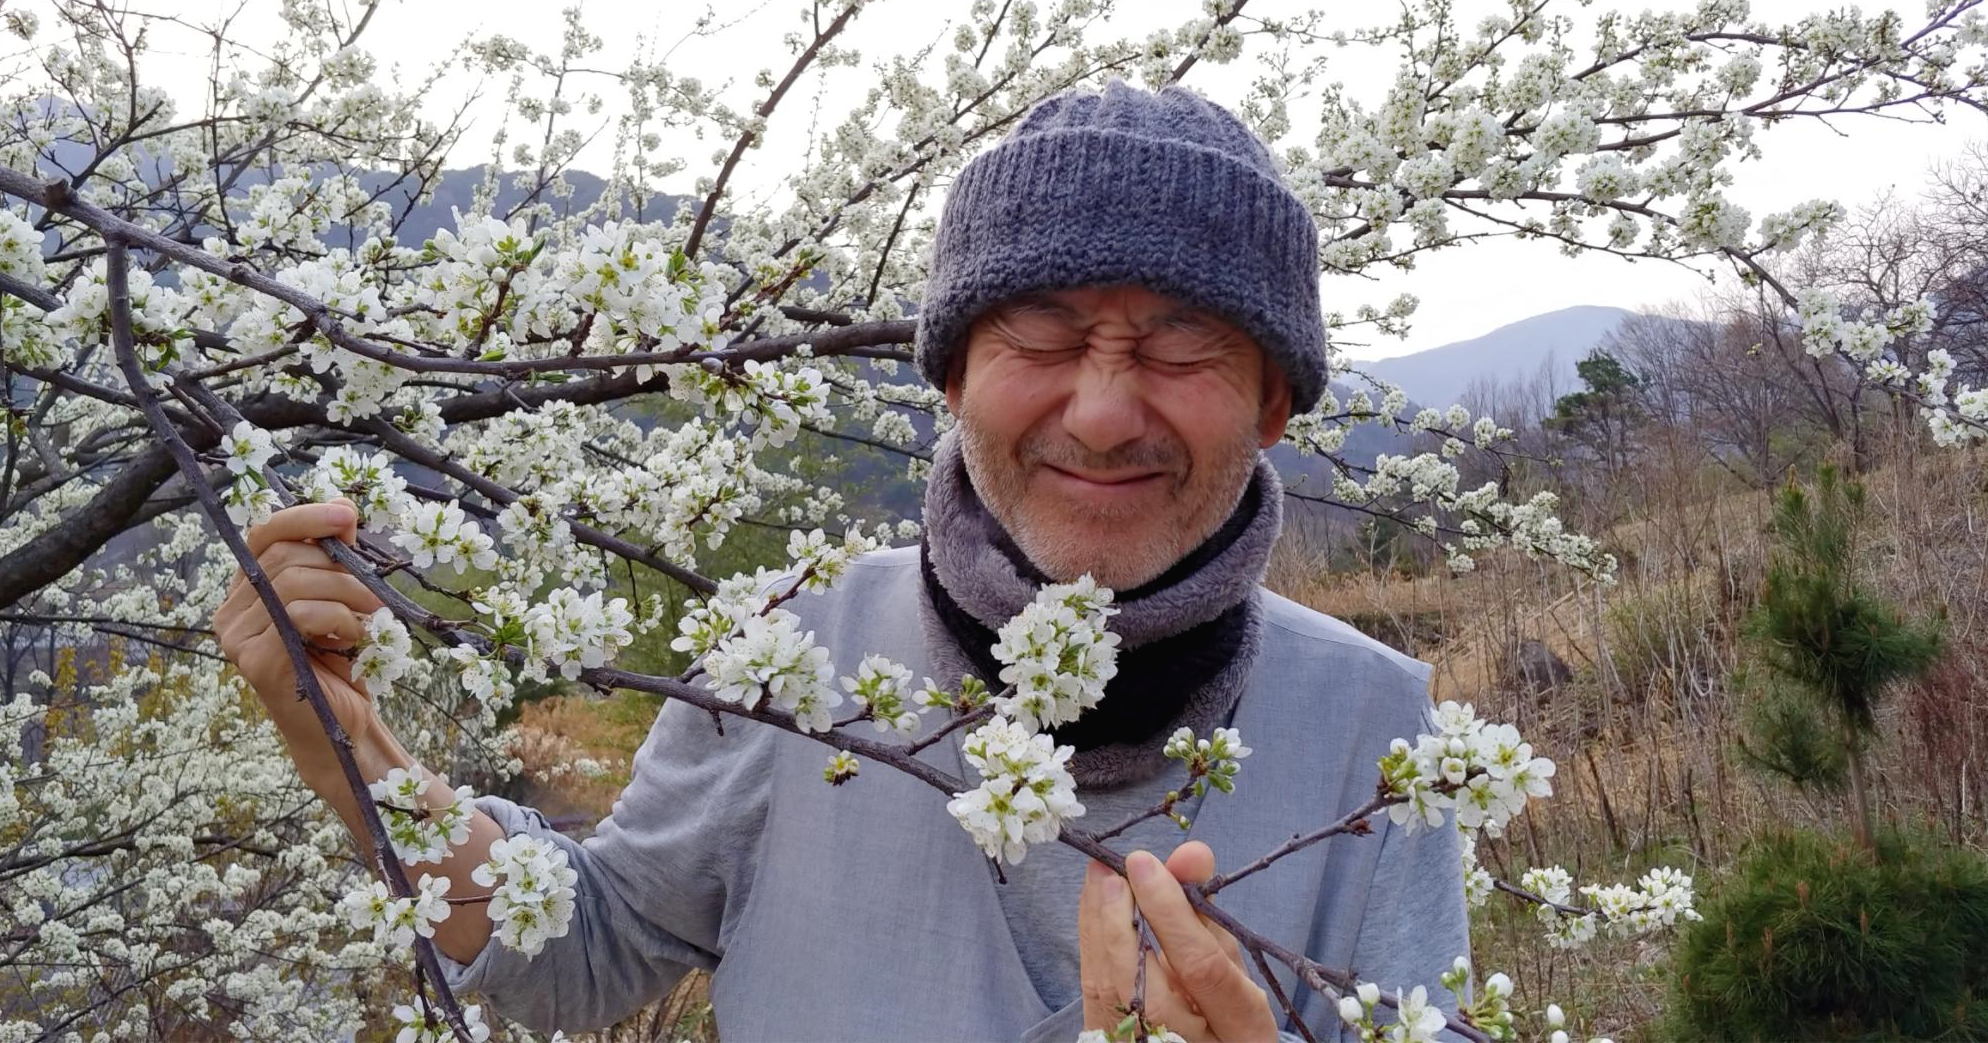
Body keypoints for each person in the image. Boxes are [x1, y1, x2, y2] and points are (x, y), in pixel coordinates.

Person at [215, 77, 1469, 1042]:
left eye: (1181, 343)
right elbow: (584, 953)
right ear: (951, 377)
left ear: (1271, 404)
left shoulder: (1376, 734)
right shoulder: (789, 640)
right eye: (1039, 333)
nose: (1098, 414)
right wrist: (354, 753)